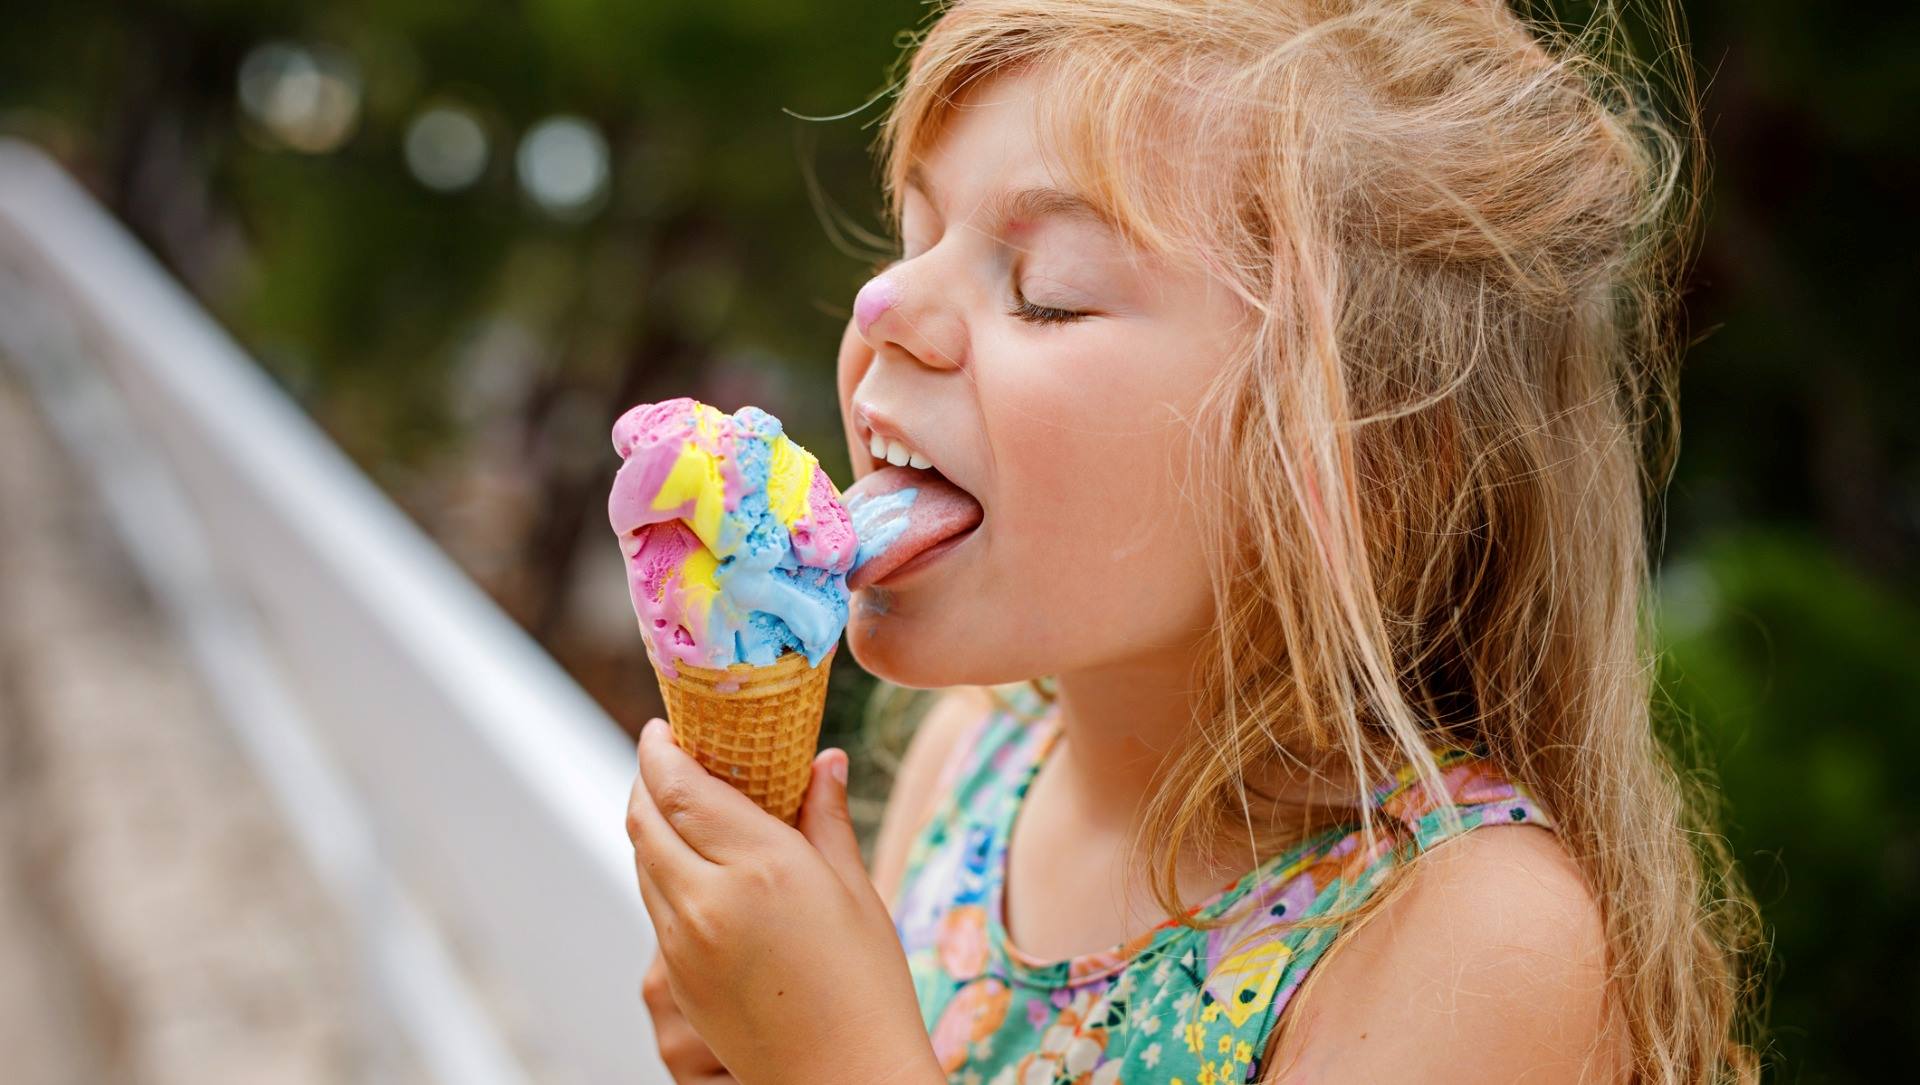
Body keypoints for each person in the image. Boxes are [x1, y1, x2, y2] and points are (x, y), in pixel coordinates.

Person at [625, 1, 1762, 1082]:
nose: (883, 306)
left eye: (1047, 292)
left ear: (1363, 462)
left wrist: (837, 1055)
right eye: (913, 236)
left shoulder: (1480, 937)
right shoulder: (973, 757)